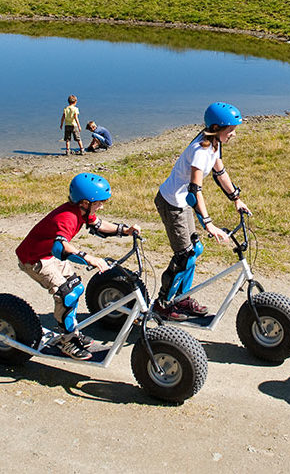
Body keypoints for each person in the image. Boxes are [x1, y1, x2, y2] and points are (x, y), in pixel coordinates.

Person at [14, 173, 141, 360]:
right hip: (34, 259)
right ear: (84, 202)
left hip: (47, 254)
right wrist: (90, 258)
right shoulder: (67, 218)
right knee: (66, 293)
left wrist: (125, 231)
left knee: (76, 286)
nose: (101, 206)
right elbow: (61, 247)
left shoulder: (82, 212)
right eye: (98, 203)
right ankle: (66, 341)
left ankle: (71, 332)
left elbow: (99, 225)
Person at [153, 102, 250, 321]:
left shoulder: (215, 145)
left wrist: (236, 198)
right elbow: (194, 190)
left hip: (182, 201)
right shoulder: (201, 150)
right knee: (184, 255)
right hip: (172, 203)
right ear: (216, 128)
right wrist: (208, 223)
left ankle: (182, 298)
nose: (233, 134)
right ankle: (163, 304)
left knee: (194, 249)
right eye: (230, 130)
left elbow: (220, 173)